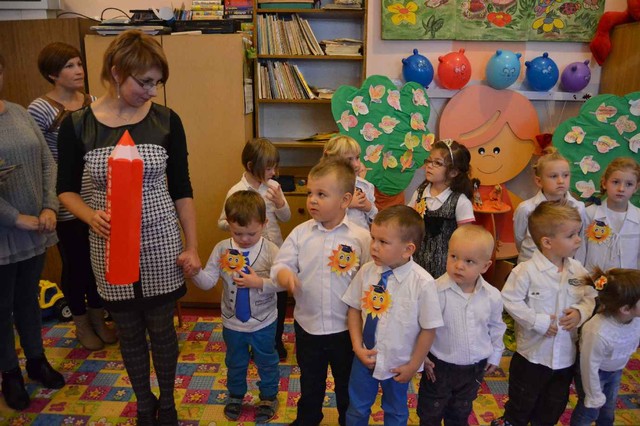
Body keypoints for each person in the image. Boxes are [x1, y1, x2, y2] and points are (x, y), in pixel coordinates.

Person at [56, 30, 201, 425]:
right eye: (145, 82)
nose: (152, 92)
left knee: (162, 330)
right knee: (129, 331)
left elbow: (182, 188)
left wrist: (192, 245)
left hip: (160, 243)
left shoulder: (166, 121)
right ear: (117, 72)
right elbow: (65, 190)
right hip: (109, 246)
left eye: (157, 83)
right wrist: (90, 216)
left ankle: (167, 403)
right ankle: (143, 403)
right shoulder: (78, 125)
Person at [28, 42, 116, 351]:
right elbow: (40, 158)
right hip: (65, 198)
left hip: (97, 197)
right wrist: (47, 203)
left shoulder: (93, 102)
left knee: (98, 262)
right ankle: (81, 323)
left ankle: (98, 318)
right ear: (52, 74)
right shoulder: (40, 108)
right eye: (69, 66)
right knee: (75, 263)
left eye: (79, 64)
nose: (78, 70)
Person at [271, 157, 371, 426]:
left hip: (346, 330)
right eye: (310, 193)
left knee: (346, 384)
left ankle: (348, 420)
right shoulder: (300, 234)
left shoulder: (361, 237)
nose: (312, 200)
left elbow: (372, 277)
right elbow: (280, 265)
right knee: (310, 381)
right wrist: (285, 274)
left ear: (345, 200)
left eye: (321, 194)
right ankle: (308, 418)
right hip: (309, 327)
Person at [492, 202, 597, 426]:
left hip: (565, 359)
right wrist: (537, 321)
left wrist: (580, 313)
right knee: (520, 407)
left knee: (553, 408)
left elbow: (590, 297)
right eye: (571, 235)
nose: (578, 240)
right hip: (532, 357)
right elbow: (509, 300)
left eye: (577, 233)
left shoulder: (578, 270)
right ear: (547, 242)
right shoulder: (525, 271)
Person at [0, 52, 65, 411]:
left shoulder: (19, 113)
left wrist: (48, 206)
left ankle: (36, 360)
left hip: (36, 227)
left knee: (28, 300)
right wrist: (15, 218)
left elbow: (47, 162)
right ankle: (9, 373)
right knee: (2, 308)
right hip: (6, 232)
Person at [342, 205, 443, 426]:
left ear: (408, 250)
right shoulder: (367, 271)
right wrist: (357, 347)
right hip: (364, 358)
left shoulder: (423, 283)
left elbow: (429, 329)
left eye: (383, 242)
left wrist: (413, 365)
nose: (374, 247)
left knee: (396, 411)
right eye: (373, 238)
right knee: (357, 408)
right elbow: (354, 309)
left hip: (399, 363)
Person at [193, 191, 281, 422]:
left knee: (267, 361)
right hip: (233, 323)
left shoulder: (271, 250)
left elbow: (283, 283)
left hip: (263, 321)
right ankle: (235, 395)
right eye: (237, 233)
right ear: (229, 225)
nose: (244, 239)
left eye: (251, 233)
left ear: (264, 224)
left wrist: (259, 282)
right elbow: (208, 281)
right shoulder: (222, 249)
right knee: (235, 362)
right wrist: (194, 273)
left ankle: (268, 397)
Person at [418, 225, 506, 426]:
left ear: (485, 266)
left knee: (460, 411)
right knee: (430, 410)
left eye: (469, 261)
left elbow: (496, 326)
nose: (459, 266)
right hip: (439, 366)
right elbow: (421, 326)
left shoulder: (492, 295)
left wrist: (495, 354)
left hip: (474, 368)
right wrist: (422, 356)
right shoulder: (434, 291)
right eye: (453, 257)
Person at [218, 138, 291, 360]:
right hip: (249, 257)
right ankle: (251, 338)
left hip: (274, 251)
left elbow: (286, 217)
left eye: (274, 167)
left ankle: (275, 340)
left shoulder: (274, 187)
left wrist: (280, 203)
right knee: (253, 297)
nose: (273, 172)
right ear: (251, 166)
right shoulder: (237, 191)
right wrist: (243, 226)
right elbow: (222, 221)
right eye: (268, 168)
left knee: (278, 295)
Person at [570, 267, 640, 426]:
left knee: (608, 409)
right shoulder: (597, 332)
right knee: (589, 410)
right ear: (625, 309)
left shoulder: (635, 318)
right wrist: (594, 395)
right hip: (593, 373)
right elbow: (588, 366)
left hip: (615, 371)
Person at [407, 139, 475, 279]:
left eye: (437, 163)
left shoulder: (460, 202)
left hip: (444, 271)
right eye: (429, 161)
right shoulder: (420, 193)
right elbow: (407, 219)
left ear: (453, 172)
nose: (429, 166)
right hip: (416, 264)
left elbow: (465, 240)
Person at [513, 147, 587, 264]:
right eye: (553, 176)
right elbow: (519, 240)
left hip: (563, 267)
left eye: (565, 175)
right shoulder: (526, 209)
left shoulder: (578, 207)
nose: (561, 181)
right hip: (531, 266)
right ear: (539, 181)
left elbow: (579, 240)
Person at [583, 157, 640, 271]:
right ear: (604, 183)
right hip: (592, 279)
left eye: (629, 184)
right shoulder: (589, 214)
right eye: (615, 182)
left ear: (636, 188)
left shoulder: (638, 217)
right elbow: (580, 252)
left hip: (628, 281)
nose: (621, 189)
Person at [323, 134, 377, 229]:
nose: (356, 164)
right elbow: (322, 213)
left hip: (360, 236)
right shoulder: (324, 185)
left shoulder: (365, 186)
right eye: (349, 159)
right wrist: (347, 204)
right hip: (333, 235)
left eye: (357, 158)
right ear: (330, 159)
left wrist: (368, 207)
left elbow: (375, 219)